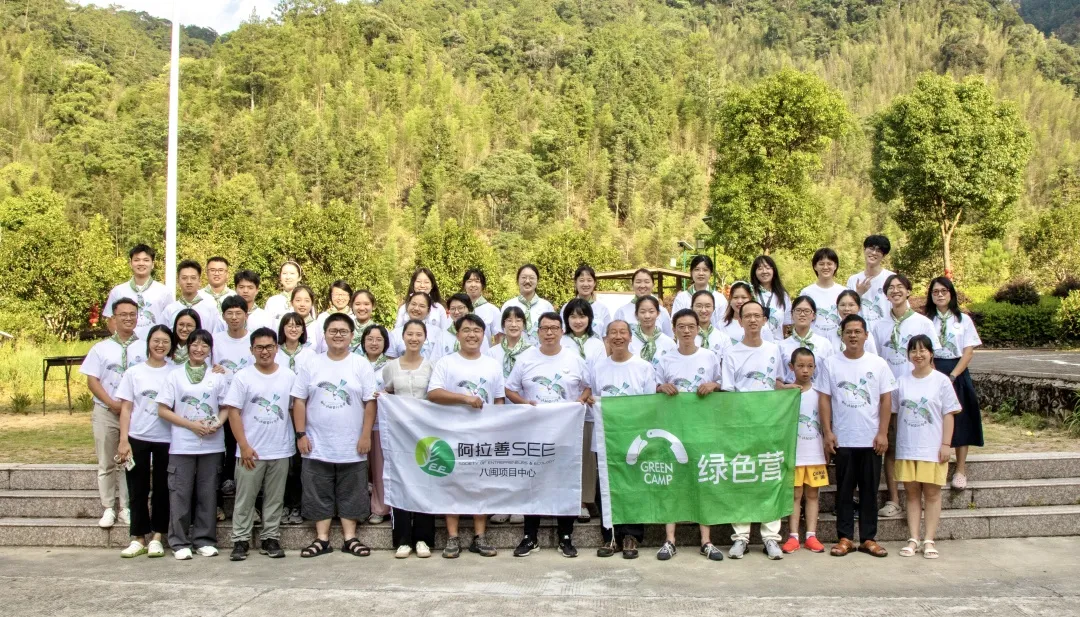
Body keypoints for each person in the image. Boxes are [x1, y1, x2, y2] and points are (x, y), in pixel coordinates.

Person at [290, 313, 378, 558]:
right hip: (317, 441)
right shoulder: (311, 363)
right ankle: (322, 539)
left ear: (352, 336)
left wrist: (365, 435)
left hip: (352, 441)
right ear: (325, 335)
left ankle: (350, 538)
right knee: (318, 488)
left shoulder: (360, 364)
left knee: (352, 488)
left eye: (343, 331)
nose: (338, 335)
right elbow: (299, 401)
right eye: (333, 331)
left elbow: (370, 402)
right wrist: (301, 434)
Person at [506, 312, 592, 559]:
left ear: (561, 331)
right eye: (545, 328)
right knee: (534, 481)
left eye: (554, 328)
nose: (550, 333)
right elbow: (509, 389)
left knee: (565, 481)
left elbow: (587, 386)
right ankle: (529, 536)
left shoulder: (574, 359)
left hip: (566, 431)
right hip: (535, 431)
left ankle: (566, 536)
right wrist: (524, 403)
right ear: (537, 332)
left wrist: (579, 401)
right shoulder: (525, 359)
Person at [816, 314, 896, 558]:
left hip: (871, 439)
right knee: (844, 490)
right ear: (842, 335)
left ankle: (869, 538)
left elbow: (885, 399)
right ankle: (845, 537)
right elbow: (825, 399)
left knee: (870, 490)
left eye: (857, 331)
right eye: (848, 331)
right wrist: (828, 431)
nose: (853, 335)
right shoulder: (831, 363)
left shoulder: (878, 364)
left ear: (865, 335)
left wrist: (882, 432)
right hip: (844, 438)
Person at [427, 314, 506, 558]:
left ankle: (479, 537)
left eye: (477, 331)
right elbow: (434, 393)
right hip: (451, 433)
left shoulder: (492, 364)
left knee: (480, 484)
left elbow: (499, 398)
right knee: (453, 483)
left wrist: (498, 425)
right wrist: (465, 399)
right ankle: (452, 538)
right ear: (458, 334)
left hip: (483, 436)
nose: (472, 335)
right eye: (466, 330)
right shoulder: (446, 362)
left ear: (484, 335)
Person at [655, 309, 725, 562]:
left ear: (698, 329)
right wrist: (660, 387)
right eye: (681, 326)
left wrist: (714, 385)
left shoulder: (710, 357)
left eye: (691, 326)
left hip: (703, 428)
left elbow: (722, 384)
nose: (686, 331)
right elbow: (653, 388)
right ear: (673, 329)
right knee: (672, 482)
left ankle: (706, 540)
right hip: (673, 429)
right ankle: (669, 540)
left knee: (702, 482)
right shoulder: (664, 359)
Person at [720, 300, 788, 560]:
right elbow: (728, 393)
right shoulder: (732, 353)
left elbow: (777, 383)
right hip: (741, 425)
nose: (751, 320)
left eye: (757, 316)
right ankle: (741, 537)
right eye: (746, 316)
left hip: (770, 424)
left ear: (764, 320)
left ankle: (771, 537)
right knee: (742, 476)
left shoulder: (774, 350)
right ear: (739, 320)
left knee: (769, 477)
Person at [222, 327, 295, 561]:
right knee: (245, 497)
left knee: (275, 498)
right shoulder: (243, 377)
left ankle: (270, 537)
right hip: (250, 450)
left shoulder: (289, 376)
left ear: (277, 348)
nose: (265, 351)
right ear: (252, 350)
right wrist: (243, 445)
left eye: (269, 347)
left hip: (281, 448)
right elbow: (233, 412)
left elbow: (296, 409)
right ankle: (240, 540)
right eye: (260, 347)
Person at [156, 328, 228, 559]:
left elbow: (227, 407)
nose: (199, 349)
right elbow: (163, 410)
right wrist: (190, 425)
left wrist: (217, 423)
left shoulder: (217, 376)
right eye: (195, 344)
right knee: (180, 492)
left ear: (210, 350)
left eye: (204, 346)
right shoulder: (175, 376)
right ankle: (179, 542)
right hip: (183, 444)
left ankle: (204, 540)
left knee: (207, 493)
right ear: (187, 347)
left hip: (212, 444)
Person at [872, 274, 937, 519]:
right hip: (889, 395)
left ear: (909, 291)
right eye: (891, 288)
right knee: (890, 447)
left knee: (915, 444)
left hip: (916, 394)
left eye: (900, 287)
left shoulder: (923, 323)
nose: (895, 291)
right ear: (885, 294)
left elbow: (933, 361)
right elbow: (876, 361)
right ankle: (893, 499)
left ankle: (917, 496)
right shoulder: (879, 326)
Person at [81, 298, 148, 529]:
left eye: (132, 314)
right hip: (106, 411)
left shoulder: (145, 347)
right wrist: (111, 403)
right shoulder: (100, 348)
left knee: (129, 461)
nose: (128, 318)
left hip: (135, 414)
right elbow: (92, 379)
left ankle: (126, 508)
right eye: (123, 314)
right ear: (114, 318)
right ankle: (109, 507)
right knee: (107, 461)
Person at [589, 320, 653, 559]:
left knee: (634, 486)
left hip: (634, 438)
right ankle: (610, 536)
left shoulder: (643, 367)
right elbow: (596, 398)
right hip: (606, 438)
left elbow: (649, 405)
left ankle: (631, 535)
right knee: (605, 485)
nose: (618, 336)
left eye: (622, 332)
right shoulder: (598, 368)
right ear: (607, 338)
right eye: (613, 333)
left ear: (630, 337)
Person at [894, 335, 959, 560]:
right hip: (907, 446)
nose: (918, 355)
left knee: (931, 494)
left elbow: (949, 414)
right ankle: (913, 538)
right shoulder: (901, 381)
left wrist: (946, 444)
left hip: (932, 447)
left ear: (931, 353)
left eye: (923, 350)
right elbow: (893, 413)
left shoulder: (941, 381)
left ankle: (929, 539)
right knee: (911, 494)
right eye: (913, 351)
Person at [114, 325, 174, 558]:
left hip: (166, 439)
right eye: (156, 340)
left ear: (171, 345)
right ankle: (138, 537)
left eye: (165, 341)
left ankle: (158, 536)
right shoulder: (134, 372)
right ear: (149, 342)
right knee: (136, 488)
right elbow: (126, 409)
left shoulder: (175, 372)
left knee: (162, 489)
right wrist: (123, 440)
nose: (160, 345)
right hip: (137, 437)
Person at [382, 319, 437, 558]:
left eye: (419, 334)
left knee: (425, 482)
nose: (414, 339)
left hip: (425, 434)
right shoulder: (391, 367)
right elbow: (388, 392)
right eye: (410, 334)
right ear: (402, 337)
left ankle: (424, 538)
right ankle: (403, 539)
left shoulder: (431, 366)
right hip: (399, 435)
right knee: (400, 482)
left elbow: (435, 396)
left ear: (425, 338)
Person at [925, 276, 984, 489]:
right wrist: (932, 374)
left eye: (944, 291)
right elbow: (923, 349)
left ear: (951, 293)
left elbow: (968, 351)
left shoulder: (963, 320)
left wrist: (952, 375)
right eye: (935, 292)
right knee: (934, 419)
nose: (940, 295)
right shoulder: (927, 320)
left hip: (956, 372)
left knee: (962, 419)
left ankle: (960, 469)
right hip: (932, 370)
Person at [483, 306, 532, 526]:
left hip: (524, 411)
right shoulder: (492, 352)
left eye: (518, 320)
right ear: (502, 325)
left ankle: (521, 504)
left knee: (522, 459)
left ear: (524, 324)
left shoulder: (533, 351)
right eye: (509, 320)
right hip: (499, 412)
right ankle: (503, 504)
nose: (513, 324)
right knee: (502, 460)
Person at [561, 298, 605, 523]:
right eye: (573, 316)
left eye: (582, 316)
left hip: (589, 407)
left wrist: (591, 396)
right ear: (566, 319)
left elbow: (600, 373)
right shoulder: (561, 341)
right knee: (568, 455)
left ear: (590, 319)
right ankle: (570, 499)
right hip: (567, 409)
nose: (578, 321)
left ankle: (587, 500)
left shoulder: (597, 344)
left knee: (588, 456)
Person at [781, 347, 828, 555]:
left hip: (815, 452)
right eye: (800, 366)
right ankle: (793, 536)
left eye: (810, 366)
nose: (805, 370)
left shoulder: (820, 394)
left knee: (812, 494)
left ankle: (811, 534)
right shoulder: (786, 394)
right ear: (791, 367)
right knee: (795, 494)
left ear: (815, 367)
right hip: (793, 454)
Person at [214, 295, 256, 505]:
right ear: (223, 316)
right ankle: (225, 482)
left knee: (244, 443)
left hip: (248, 405)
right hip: (222, 404)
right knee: (225, 444)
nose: (234, 317)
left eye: (238, 312)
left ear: (246, 315)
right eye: (229, 313)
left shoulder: (253, 340)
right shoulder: (216, 340)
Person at [276, 312, 316, 526]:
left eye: (297, 325)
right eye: (288, 325)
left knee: (300, 463)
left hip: (303, 414)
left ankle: (297, 506)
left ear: (303, 330)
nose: (293, 329)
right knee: (284, 463)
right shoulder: (275, 352)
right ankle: (282, 505)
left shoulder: (310, 354)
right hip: (280, 414)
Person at [358, 324, 392, 524]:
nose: (374, 343)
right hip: (355, 424)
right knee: (358, 467)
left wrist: (388, 395)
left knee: (379, 468)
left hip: (381, 424)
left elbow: (398, 390)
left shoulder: (391, 366)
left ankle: (380, 509)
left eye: (378, 339)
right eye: (370, 338)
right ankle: (358, 507)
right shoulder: (354, 363)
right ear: (363, 341)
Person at [103, 244, 171, 341]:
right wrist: (123, 342)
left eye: (146, 260)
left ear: (153, 264)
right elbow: (111, 320)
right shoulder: (118, 291)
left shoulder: (164, 291)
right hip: (126, 346)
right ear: (130, 263)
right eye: (137, 260)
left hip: (155, 348)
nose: (141, 263)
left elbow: (170, 321)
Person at [778, 296, 835, 383]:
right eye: (798, 310)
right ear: (792, 315)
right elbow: (778, 376)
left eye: (807, 311)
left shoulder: (824, 344)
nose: (802, 314)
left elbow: (831, 373)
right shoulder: (781, 346)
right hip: (789, 393)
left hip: (817, 392)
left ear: (814, 316)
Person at [847, 235, 894, 331]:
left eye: (878, 251)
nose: (873, 253)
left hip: (885, 333)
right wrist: (858, 294)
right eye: (871, 248)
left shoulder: (891, 278)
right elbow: (846, 310)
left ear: (884, 256)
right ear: (864, 250)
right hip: (859, 335)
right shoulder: (853, 279)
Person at [163, 260, 223, 335]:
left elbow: (216, 335)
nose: (189, 282)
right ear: (178, 281)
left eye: (193, 278)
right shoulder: (170, 310)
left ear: (199, 281)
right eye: (184, 278)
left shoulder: (210, 309)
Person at [501, 264, 555, 345]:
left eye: (531, 278)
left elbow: (554, 333)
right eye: (523, 277)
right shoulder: (508, 305)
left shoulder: (547, 306)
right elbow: (501, 335)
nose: (527, 281)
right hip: (515, 354)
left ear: (537, 281)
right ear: (517, 280)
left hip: (541, 354)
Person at [613, 268, 674, 337]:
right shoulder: (622, 311)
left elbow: (669, 338)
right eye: (638, 282)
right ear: (632, 285)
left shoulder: (662, 311)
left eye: (647, 282)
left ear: (653, 285)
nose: (642, 286)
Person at [672, 255, 728, 326]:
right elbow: (675, 323)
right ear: (691, 272)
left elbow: (723, 325)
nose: (701, 273)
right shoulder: (681, 298)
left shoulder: (720, 299)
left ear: (711, 273)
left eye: (705, 270)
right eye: (697, 269)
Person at [800, 248, 844, 339]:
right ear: (815, 266)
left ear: (835, 266)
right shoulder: (807, 292)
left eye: (829, 264)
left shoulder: (843, 291)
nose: (825, 267)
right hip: (814, 342)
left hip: (838, 340)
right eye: (821, 264)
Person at [434, 293, 490, 359]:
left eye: (460, 308)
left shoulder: (478, 335)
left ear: (469, 309)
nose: (456, 312)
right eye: (452, 308)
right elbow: (435, 360)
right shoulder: (443, 335)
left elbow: (485, 359)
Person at [628, 296, 676, 368]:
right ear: (636, 314)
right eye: (642, 312)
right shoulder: (629, 342)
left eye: (651, 311)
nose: (647, 316)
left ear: (658, 313)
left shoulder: (668, 343)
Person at [751, 255, 791, 341]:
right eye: (760, 268)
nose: (764, 271)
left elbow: (785, 325)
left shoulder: (783, 296)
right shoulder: (750, 293)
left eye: (768, 267)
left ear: (774, 271)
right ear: (754, 272)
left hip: (777, 345)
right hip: (754, 345)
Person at [826, 290, 879, 356]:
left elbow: (873, 359)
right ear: (837, 307)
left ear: (859, 308)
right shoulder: (830, 335)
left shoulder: (865, 335)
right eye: (842, 305)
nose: (846, 309)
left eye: (851, 305)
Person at [395, 268, 447, 333]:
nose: (422, 285)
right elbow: (396, 333)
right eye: (418, 281)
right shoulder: (403, 308)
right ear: (413, 284)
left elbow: (445, 332)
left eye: (426, 282)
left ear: (432, 285)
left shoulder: (439, 308)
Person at [389, 292, 439, 359]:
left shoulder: (437, 333)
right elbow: (390, 360)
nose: (416, 308)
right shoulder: (395, 333)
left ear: (428, 311)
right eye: (413, 304)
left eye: (422, 306)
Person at [463, 269, 502, 345]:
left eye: (477, 281)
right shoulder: (458, 309)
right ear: (464, 285)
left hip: (484, 355)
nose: (473, 285)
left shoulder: (492, 310)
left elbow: (499, 338)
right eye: (469, 281)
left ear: (482, 285)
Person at [572, 265, 612, 339]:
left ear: (594, 283)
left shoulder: (602, 309)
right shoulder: (567, 308)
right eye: (581, 280)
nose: (585, 284)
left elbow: (606, 338)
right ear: (575, 283)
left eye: (589, 280)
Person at [691, 290, 732, 358]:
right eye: (699, 306)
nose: (703, 310)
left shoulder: (723, 339)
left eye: (708, 306)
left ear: (713, 308)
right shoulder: (685, 337)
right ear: (692, 308)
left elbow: (727, 366)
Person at [264, 260, 303, 326]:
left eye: (292, 273)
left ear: (299, 277)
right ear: (280, 277)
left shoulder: (305, 301)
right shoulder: (272, 301)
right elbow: (266, 326)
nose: (288, 277)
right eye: (284, 273)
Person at [289, 285, 324, 353]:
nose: (302, 304)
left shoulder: (318, 327)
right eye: (298, 300)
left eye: (307, 301)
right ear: (292, 303)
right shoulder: (284, 326)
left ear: (312, 304)